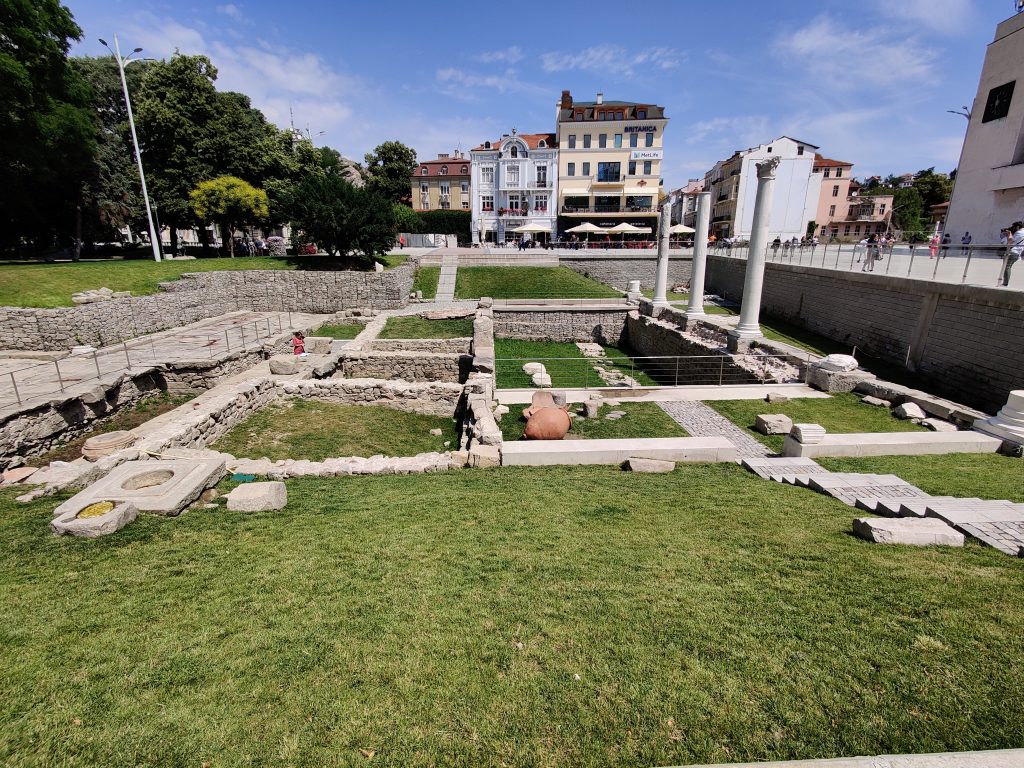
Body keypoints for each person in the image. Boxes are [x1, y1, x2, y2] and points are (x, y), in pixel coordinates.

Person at [1003, 221, 1024, 287]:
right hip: (1018, 253)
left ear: (1018, 227)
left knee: (1007, 267)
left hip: (1012, 252)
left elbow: (1010, 241)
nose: (1013, 228)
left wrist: (1009, 233)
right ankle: (1005, 282)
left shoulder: (1019, 232)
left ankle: (1005, 283)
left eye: (1014, 227)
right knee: (1009, 267)